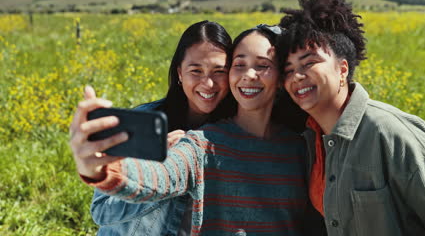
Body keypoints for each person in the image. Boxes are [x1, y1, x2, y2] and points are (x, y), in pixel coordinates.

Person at [71, 25, 324, 235]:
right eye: (239, 64)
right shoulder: (199, 142)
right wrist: (100, 168)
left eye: (262, 65)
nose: (249, 74)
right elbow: (156, 178)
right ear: (179, 73)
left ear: (280, 77)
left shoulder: (299, 146)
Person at [276, 0, 425, 236]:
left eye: (309, 63)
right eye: (289, 70)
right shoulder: (309, 140)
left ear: (342, 69)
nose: (297, 76)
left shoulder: (391, 132)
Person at [70, 20, 236, 235]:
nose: (208, 83)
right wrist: (154, 173)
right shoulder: (143, 121)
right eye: (196, 70)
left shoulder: (235, 132)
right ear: (179, 73)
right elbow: (102, 212)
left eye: (219, 71)